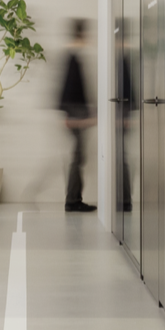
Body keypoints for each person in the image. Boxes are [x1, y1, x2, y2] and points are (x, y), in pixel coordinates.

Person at [58, 19, 98, 213]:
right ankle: (73, 200)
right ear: (81, 35)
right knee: (77, 158)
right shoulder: (73, 58)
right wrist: (75, 117)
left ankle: (73, 199)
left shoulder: (74, 57)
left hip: (76, 114)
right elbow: (69, 92)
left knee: (78, 157)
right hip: (75, 115)